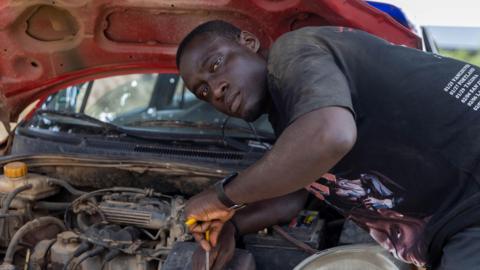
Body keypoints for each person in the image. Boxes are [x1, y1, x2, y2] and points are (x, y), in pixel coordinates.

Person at [176, 20, 480, 270]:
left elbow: (330, 137)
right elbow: (294, 193)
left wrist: (221, 197)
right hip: (459, 223)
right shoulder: (295, 120)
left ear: (249, 42)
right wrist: (234, 224)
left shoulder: (294, 51)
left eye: (215, 65)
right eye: (202, 92)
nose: (216, 90)